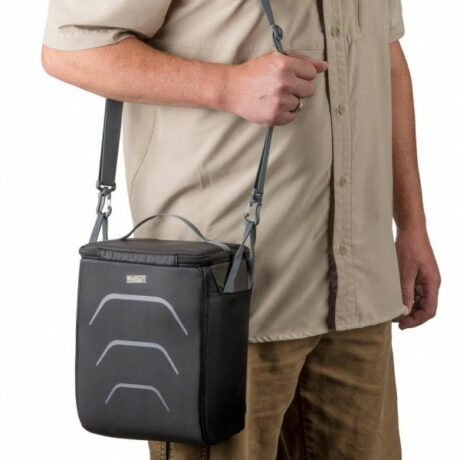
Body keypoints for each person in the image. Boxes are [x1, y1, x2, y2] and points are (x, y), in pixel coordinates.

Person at [41, 1, 440, 459]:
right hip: (222, 301)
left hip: (357, 293)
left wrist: (413, 225)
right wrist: (226, 86)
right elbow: (70, 49)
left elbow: (386, 57)